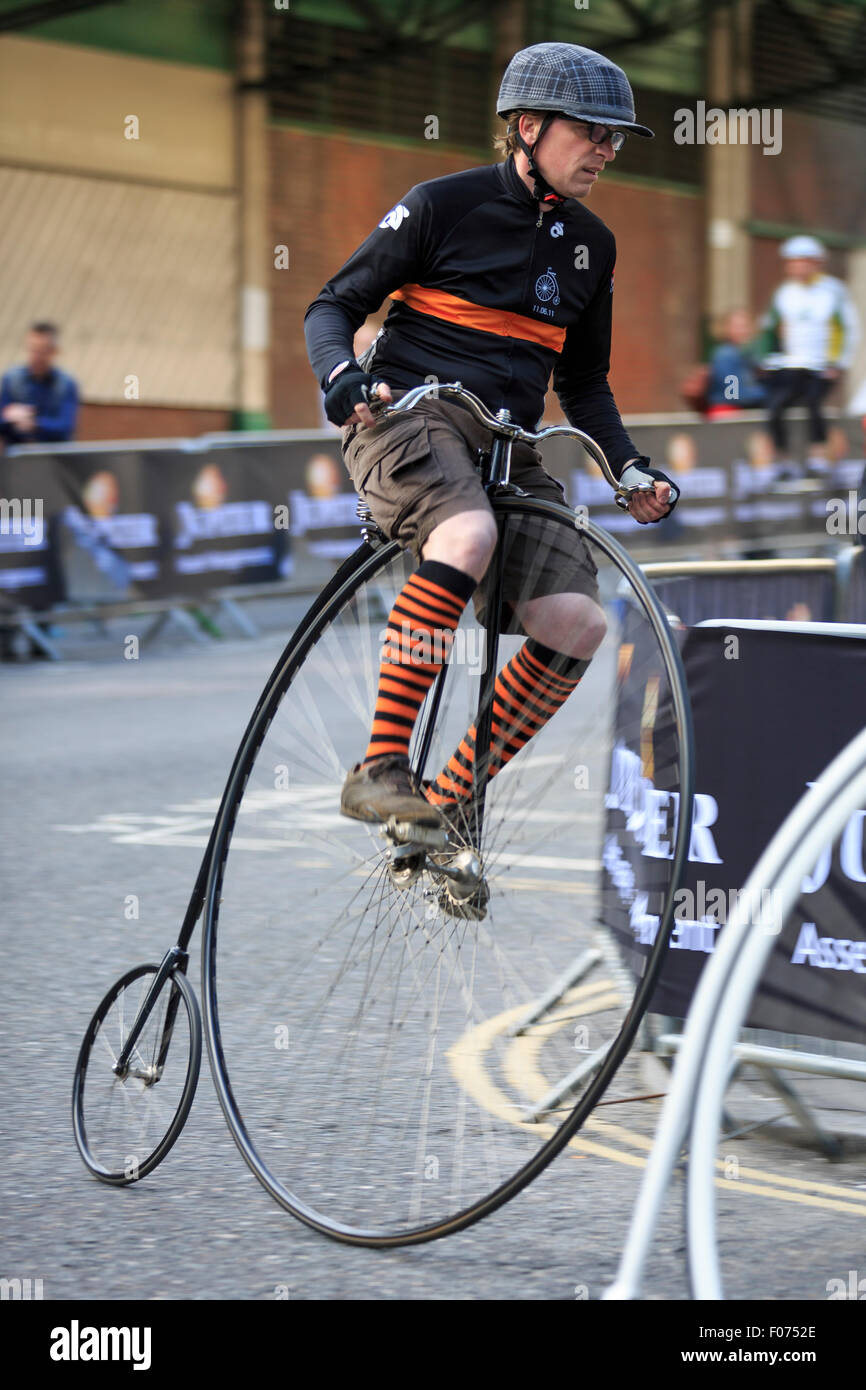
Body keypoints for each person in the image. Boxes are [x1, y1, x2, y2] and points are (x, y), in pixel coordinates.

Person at [304, 41, 679, 858]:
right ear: (529, 125)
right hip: (407, 415)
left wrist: (630, 467)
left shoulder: (594, 246)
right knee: (466, 535)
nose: (608, 150)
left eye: (617, 137)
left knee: (579, 623)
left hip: (510, 444)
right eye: (593, 132)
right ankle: (381, 765)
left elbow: (583, 384)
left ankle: (451, 794)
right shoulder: (442, 205)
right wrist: (339, 377)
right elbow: (332, 304)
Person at [759, 237, 859, 480]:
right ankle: (782, 461)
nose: (795, 268)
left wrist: (838, 363)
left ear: (815, 263)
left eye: (801, 262)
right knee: (775, 406)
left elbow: (848, 327)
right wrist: (766, 358)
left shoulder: (833, 291)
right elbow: (769, 327)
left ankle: (818, 457)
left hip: (820, 365)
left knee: (814, 402)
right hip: (792, 363)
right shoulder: (785, 292)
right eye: (792, 263)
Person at [0, 322, 79, 448]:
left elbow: (66, 426)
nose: (36, 356)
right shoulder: (12, 380)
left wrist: (35, 424)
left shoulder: (66, 384)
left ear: (54, 351)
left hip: (53, 458)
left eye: (42, 351)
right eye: (33, 349)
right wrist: (9, 417)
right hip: (18, 457)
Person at [705, 309, 766, 417]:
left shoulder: (747, 354)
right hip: (728, 413)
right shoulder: (725, 355)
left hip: (744, 412)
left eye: (746, 326)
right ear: (726, 329)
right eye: (737, 327)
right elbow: (733, 394)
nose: (743, 331)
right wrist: (766, 395)